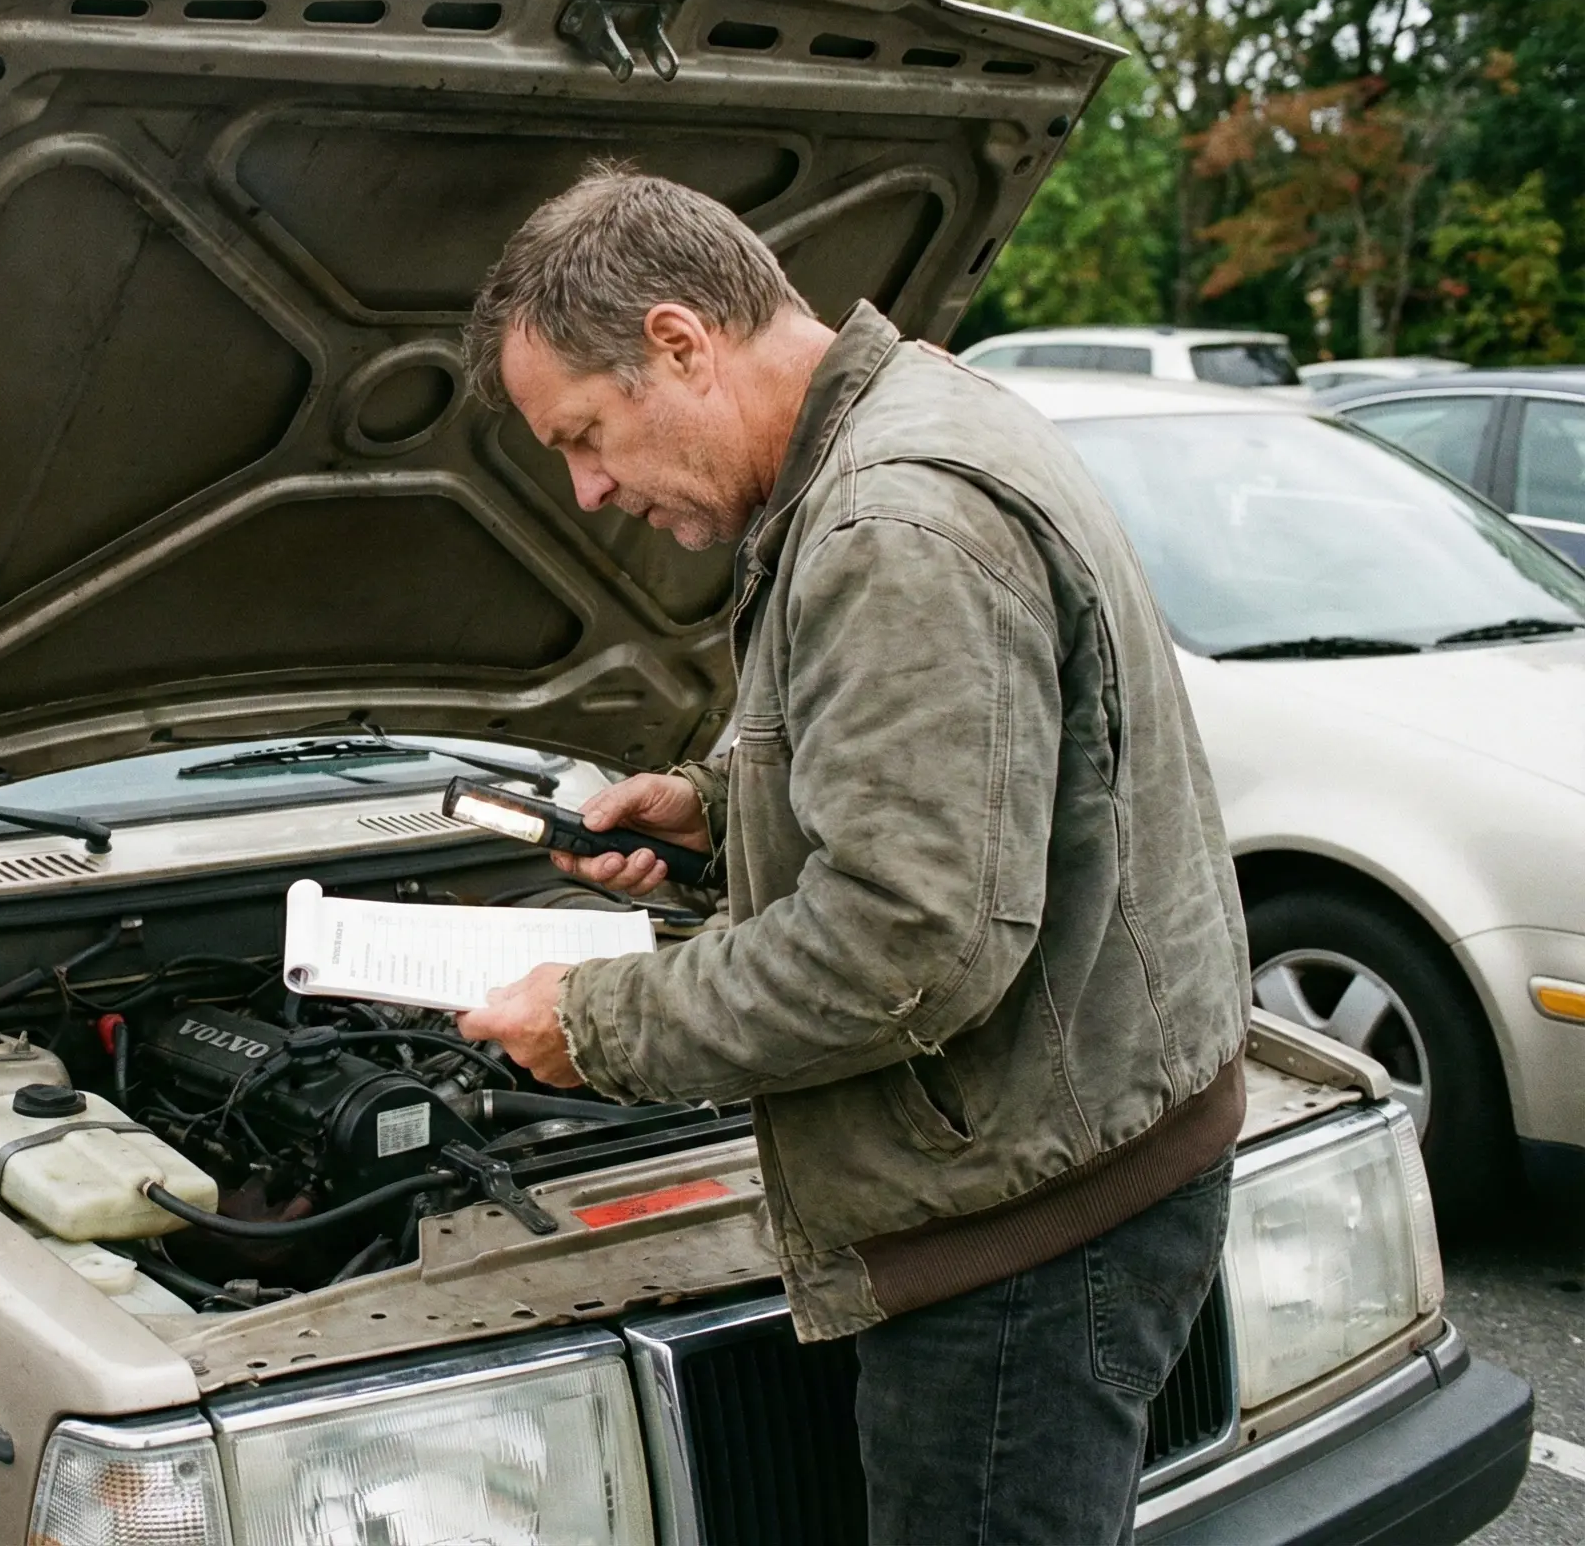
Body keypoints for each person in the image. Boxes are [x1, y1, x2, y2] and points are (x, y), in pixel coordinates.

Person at [453, 163, 1250, 1545]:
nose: (583, 493)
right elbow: (987, 779)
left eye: (583, 435)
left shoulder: (895, 519)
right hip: (1070, 1162)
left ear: (678, 345)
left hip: (1024, 1241)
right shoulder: (919, 416)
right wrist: (717, 812)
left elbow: (906, 947)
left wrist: (594, 1022)